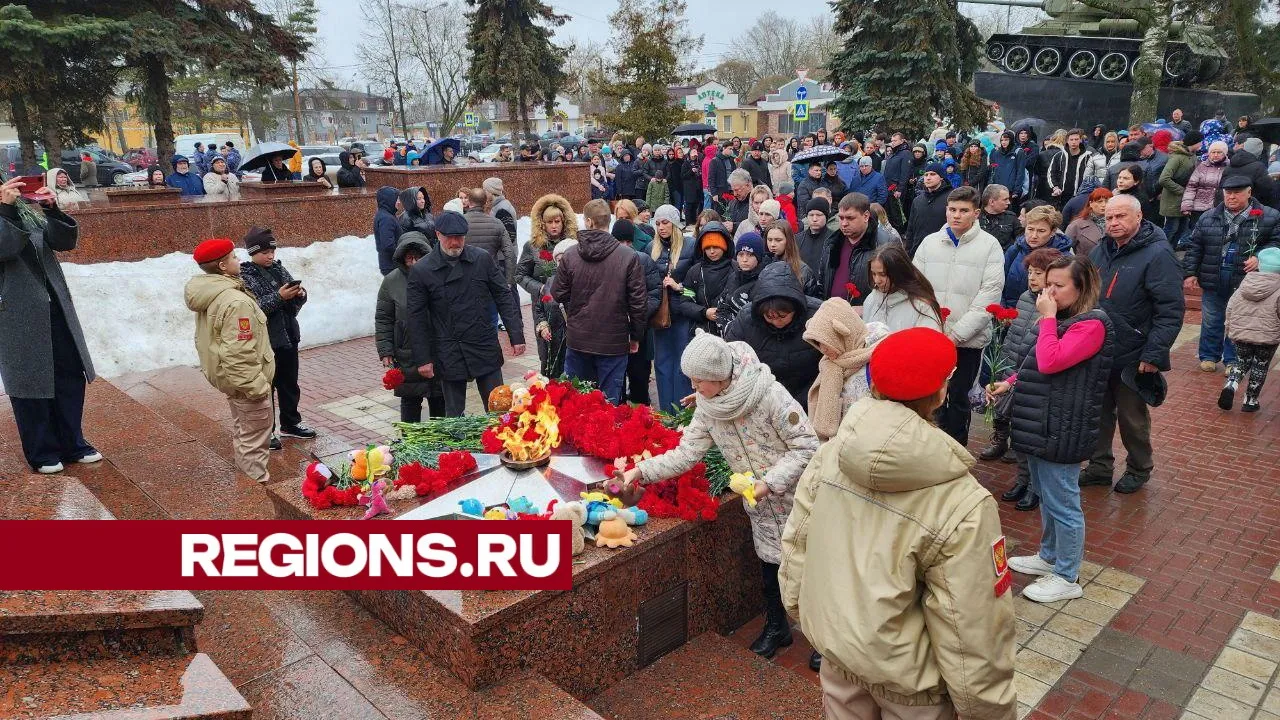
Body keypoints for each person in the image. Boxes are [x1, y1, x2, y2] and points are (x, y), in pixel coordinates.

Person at [779, 326, 1016, 719]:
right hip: (912, 684)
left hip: (840, 656)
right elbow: (972, 627)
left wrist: (812, 621)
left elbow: (796, 546)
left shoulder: (831, 454)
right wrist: (989, 712)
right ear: (941, 392)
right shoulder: (963, 502)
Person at [616, 332, 818, 660]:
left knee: (812, 570)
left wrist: (770, 481)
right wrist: (640, 472)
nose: (694, 389)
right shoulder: (709, 407)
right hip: (761, 504)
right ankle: (777, 627)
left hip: (798, 495)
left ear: (720, 377)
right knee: (770, 571)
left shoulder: (769, 395)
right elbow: (686, 454)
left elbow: (808, 445)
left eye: (699, 381)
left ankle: (822, 642)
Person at [989, 255, 1112, 605]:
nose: (1050, 292)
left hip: (1063, 426)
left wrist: (1046, 318)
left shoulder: (1091, 325)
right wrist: (1010, 382)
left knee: (1064, 501)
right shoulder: (1063, 319)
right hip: (1043, 421)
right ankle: (1049, 556)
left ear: (1081, 287)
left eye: (1059, 286)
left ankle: (1067, 574)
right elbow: (1035, 364)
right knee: (1046, 493)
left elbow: (1051, 360)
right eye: (1048, 285)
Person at [1083, 195, 1184, 494]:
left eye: (1121, 217)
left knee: (1132, 418)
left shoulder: (1158, 254)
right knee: (1097, 414)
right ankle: (1099, 466)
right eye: (1109, 217)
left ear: (1138, 217)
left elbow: (1170, 310)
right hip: (1097, 349)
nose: (1113, 223)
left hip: (1134, 353)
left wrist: (1154, 353)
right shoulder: (1101, 250)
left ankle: (1139, 468)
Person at [0, 177, 101, 474]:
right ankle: (42, 451)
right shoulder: (9, 211)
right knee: (30, 381)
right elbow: (4, 247)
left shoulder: (25, 210)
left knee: (68, 373)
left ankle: (73, 442)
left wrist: (51, 209)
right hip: (16, 312)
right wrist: (5, 211)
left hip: (54, 305)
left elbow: (64, 242)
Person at [406, 211, 525, 416]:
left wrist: (516, 336)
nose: (455, 242)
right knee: (454, 415)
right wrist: (423, 358)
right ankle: (458, 449)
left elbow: (503, 297)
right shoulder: (422, 270)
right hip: (449, 348)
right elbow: (416, 318)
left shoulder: (481, 259)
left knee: (499, 407)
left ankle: (501, 446)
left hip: (483, 343)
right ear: (438, 234)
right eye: (449, 237)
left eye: (459, 237)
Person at [912, 186, 1005, 447]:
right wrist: (931, 328)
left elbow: (988, 297)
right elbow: (916, 288)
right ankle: (931, 449)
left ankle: (956, 450)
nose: (956, 216)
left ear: (976, 213)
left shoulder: (989, 246)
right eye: (952, 210)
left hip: (966, 341)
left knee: (959, 399)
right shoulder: (930, 243)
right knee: (930, 396)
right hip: (932, 335)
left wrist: (955, 335)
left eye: (963, 211)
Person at [184, 238, 275, 483]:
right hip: (246, 385)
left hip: (233, 382)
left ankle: (249, 490)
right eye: (234, 257)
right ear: (223, 266)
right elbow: (238, 353)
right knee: (254, 440)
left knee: (245, 433)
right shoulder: (235, 301)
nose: (239, 260)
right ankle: (256, 497)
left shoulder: (216, 292)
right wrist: (256, 387)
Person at [551, 199, 647, 404]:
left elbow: (558, 293)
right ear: (608, 221)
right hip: (613, 340)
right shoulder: (628, 256)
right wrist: (636, 336)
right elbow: (638, 303)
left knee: (576, 402)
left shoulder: (570, 255)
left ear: (588, 222)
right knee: (609, 403)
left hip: (579, 337)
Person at [1183, 175, 1280, 372]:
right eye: (1228, 193)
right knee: (1211, 319)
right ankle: (1208, 356)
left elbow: (1276, 242)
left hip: (1245, 280)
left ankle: (1233, 360)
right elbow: (1195, 247)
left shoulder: (1269, 216)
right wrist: (1190, 273)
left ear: (1249, 193)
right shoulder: (1208, 216)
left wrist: (1260, 256)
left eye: (1237, 193)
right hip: (1213, 275)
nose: (1231, 197)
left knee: (1237, 320)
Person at [238, 226, 316, 448]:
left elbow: (292, 307)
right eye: (264, 252)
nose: (270, 256)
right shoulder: (246, 277)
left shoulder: (280, 270)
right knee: (266, 387)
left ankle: (291, 424)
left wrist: (299, 295)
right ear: (253, 253)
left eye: (272, 251)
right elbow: (254, 309)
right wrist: (280, 297)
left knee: (290, 383)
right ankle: (267, 431)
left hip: (289, 335)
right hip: (267, 341)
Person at [723, 261, 823, 411]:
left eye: (782, 316)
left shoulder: (817, 314)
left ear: (795, 308)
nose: (776, 322)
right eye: (769, 317)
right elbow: (729, 358)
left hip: (810, 396)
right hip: (762, 399)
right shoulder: (746, 318)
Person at [376, 232, 444, 421]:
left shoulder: (438, 275)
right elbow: (383, 318)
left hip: (437, 349)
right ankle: (410, 444)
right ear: (402, 258)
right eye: (409, 257)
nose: (414, 262)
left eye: (418, 257)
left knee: (440, 400)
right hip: (406, 351)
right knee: (410, 402)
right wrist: (385, 350)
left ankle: (443, 446)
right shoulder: (391, 281)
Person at [803, 297, 886, 443]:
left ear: (843, 334)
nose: (823, 350)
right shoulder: (831, 365)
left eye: (826, 343)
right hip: (839, 444)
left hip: (871, 441)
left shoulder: (879, 359)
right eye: (818, 344)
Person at [1222, 247, 1280, 412]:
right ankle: (1250, 400)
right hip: (1267, 336)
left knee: (1241, 361)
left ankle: (1231, 384)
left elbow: (1230, 308)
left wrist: (1229, 330)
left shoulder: (1245, 284)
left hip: (1241, 334)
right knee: (1260, 366)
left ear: (1259, 265)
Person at [821, 192, 900, 303]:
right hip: (833, 312)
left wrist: (867, 309)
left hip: (867, 317)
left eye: (850, 218)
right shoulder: (831, 242)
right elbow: (822, 280)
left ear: (866, 216)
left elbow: (898, 286)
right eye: (841, 218)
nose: (844, 223)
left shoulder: (886, 243)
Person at [1002, 205, 1073, 307]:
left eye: (1041, 231)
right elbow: (999, 284)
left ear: (1052, 232)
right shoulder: (1014, 251)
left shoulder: (1064, 258)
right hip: (1009, 314)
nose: (1034, 235)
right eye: (1030, 229)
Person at [674, 220, 736, 336]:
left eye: (716, 247)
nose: (712, 251)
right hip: (701, 332)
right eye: (708, 248)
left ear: (725, 246)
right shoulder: (695, 271)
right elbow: (685, 302)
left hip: (731, 333)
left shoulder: (736, 269)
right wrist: (704, 312)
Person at [862, 244, 943, 332]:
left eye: (883, 274)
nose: (877, 280)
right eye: (874, 274)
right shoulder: (871, 299)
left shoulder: (921, 306)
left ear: (898, 273)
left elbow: (930, 341)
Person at [517, 193, 577, 305]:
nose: (554, 226)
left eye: (557, 221)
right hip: (543, 307)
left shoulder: (573, 245)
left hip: (570, 305)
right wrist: (540, 288)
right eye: (549, 222)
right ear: (542, 224)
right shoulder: (532, 246)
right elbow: (520, 275)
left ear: (564, 222)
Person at [532, 239, 577, 379]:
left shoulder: (583, 282)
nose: (562, 264)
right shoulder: (550, 281)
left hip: (574, 346)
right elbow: (539, 308)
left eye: (566, 260)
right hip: (553, 347)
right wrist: (543, 326)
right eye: (558, 260)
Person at [465, 187, 516, 291]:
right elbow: (510, 253)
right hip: (491, 278)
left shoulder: (460, 222)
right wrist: (509, 281)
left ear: (469, 202)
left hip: (467, 278)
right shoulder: (497, 223)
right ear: (485, 202)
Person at [1157, 131, 1201, 249]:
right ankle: (1162, 251)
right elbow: (1164, 178)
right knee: (1171, 229)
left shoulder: (1192, 156)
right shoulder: (1177, 158)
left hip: (1185, 200)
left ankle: (1171, 252)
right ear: (1194, 142)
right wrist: (1181, 190)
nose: (1202, 144)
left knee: (1181, 228)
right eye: (1200, 141)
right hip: (1173, 200)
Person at [904, 162, 951, 254]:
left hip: (942, 252)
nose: (928, 177)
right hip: (918, 251)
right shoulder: (917, 200)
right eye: (926, 175)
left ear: (941, 177)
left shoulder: (951, 198)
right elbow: (910, 229)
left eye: (933, 174)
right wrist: (909, 251)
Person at [763, 219, 819, 296]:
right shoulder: (764, 266)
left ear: (788, 240)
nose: (772, 244)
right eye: (769, 240)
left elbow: (811, 302)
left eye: (778, 240)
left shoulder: (803, 271)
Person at [1181, 141, 1231, 221]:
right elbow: (1191, 187)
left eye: (1219, 152)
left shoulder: (1230, 167)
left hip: (1221, 209)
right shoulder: (1201, 167)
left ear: (1225, 153)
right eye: (1213, 152)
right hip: (1199, 209)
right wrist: (1187, 206)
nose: (1215, 155)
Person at [1065, 187, 1112, 257]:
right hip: (1085, 265)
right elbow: (1063, 250)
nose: (1104, 205)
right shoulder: (1076, 225)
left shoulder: (1117, 223)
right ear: (1091, 203)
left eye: (1107, 201)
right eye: (1100, 201)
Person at [979, 184, 1021, 251]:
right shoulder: (975, 218)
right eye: (1005, 199)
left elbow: (1021, 239)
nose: (1009, 202)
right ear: (992, 202)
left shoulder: (1011, 217)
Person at [373, 186, 402, 276]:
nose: (399, 202)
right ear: (389, 200)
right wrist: (403, 255)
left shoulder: (386, 214)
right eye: (396, 199)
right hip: (391, 265)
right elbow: (388, 244)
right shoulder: (386, 218)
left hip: (390, 263)